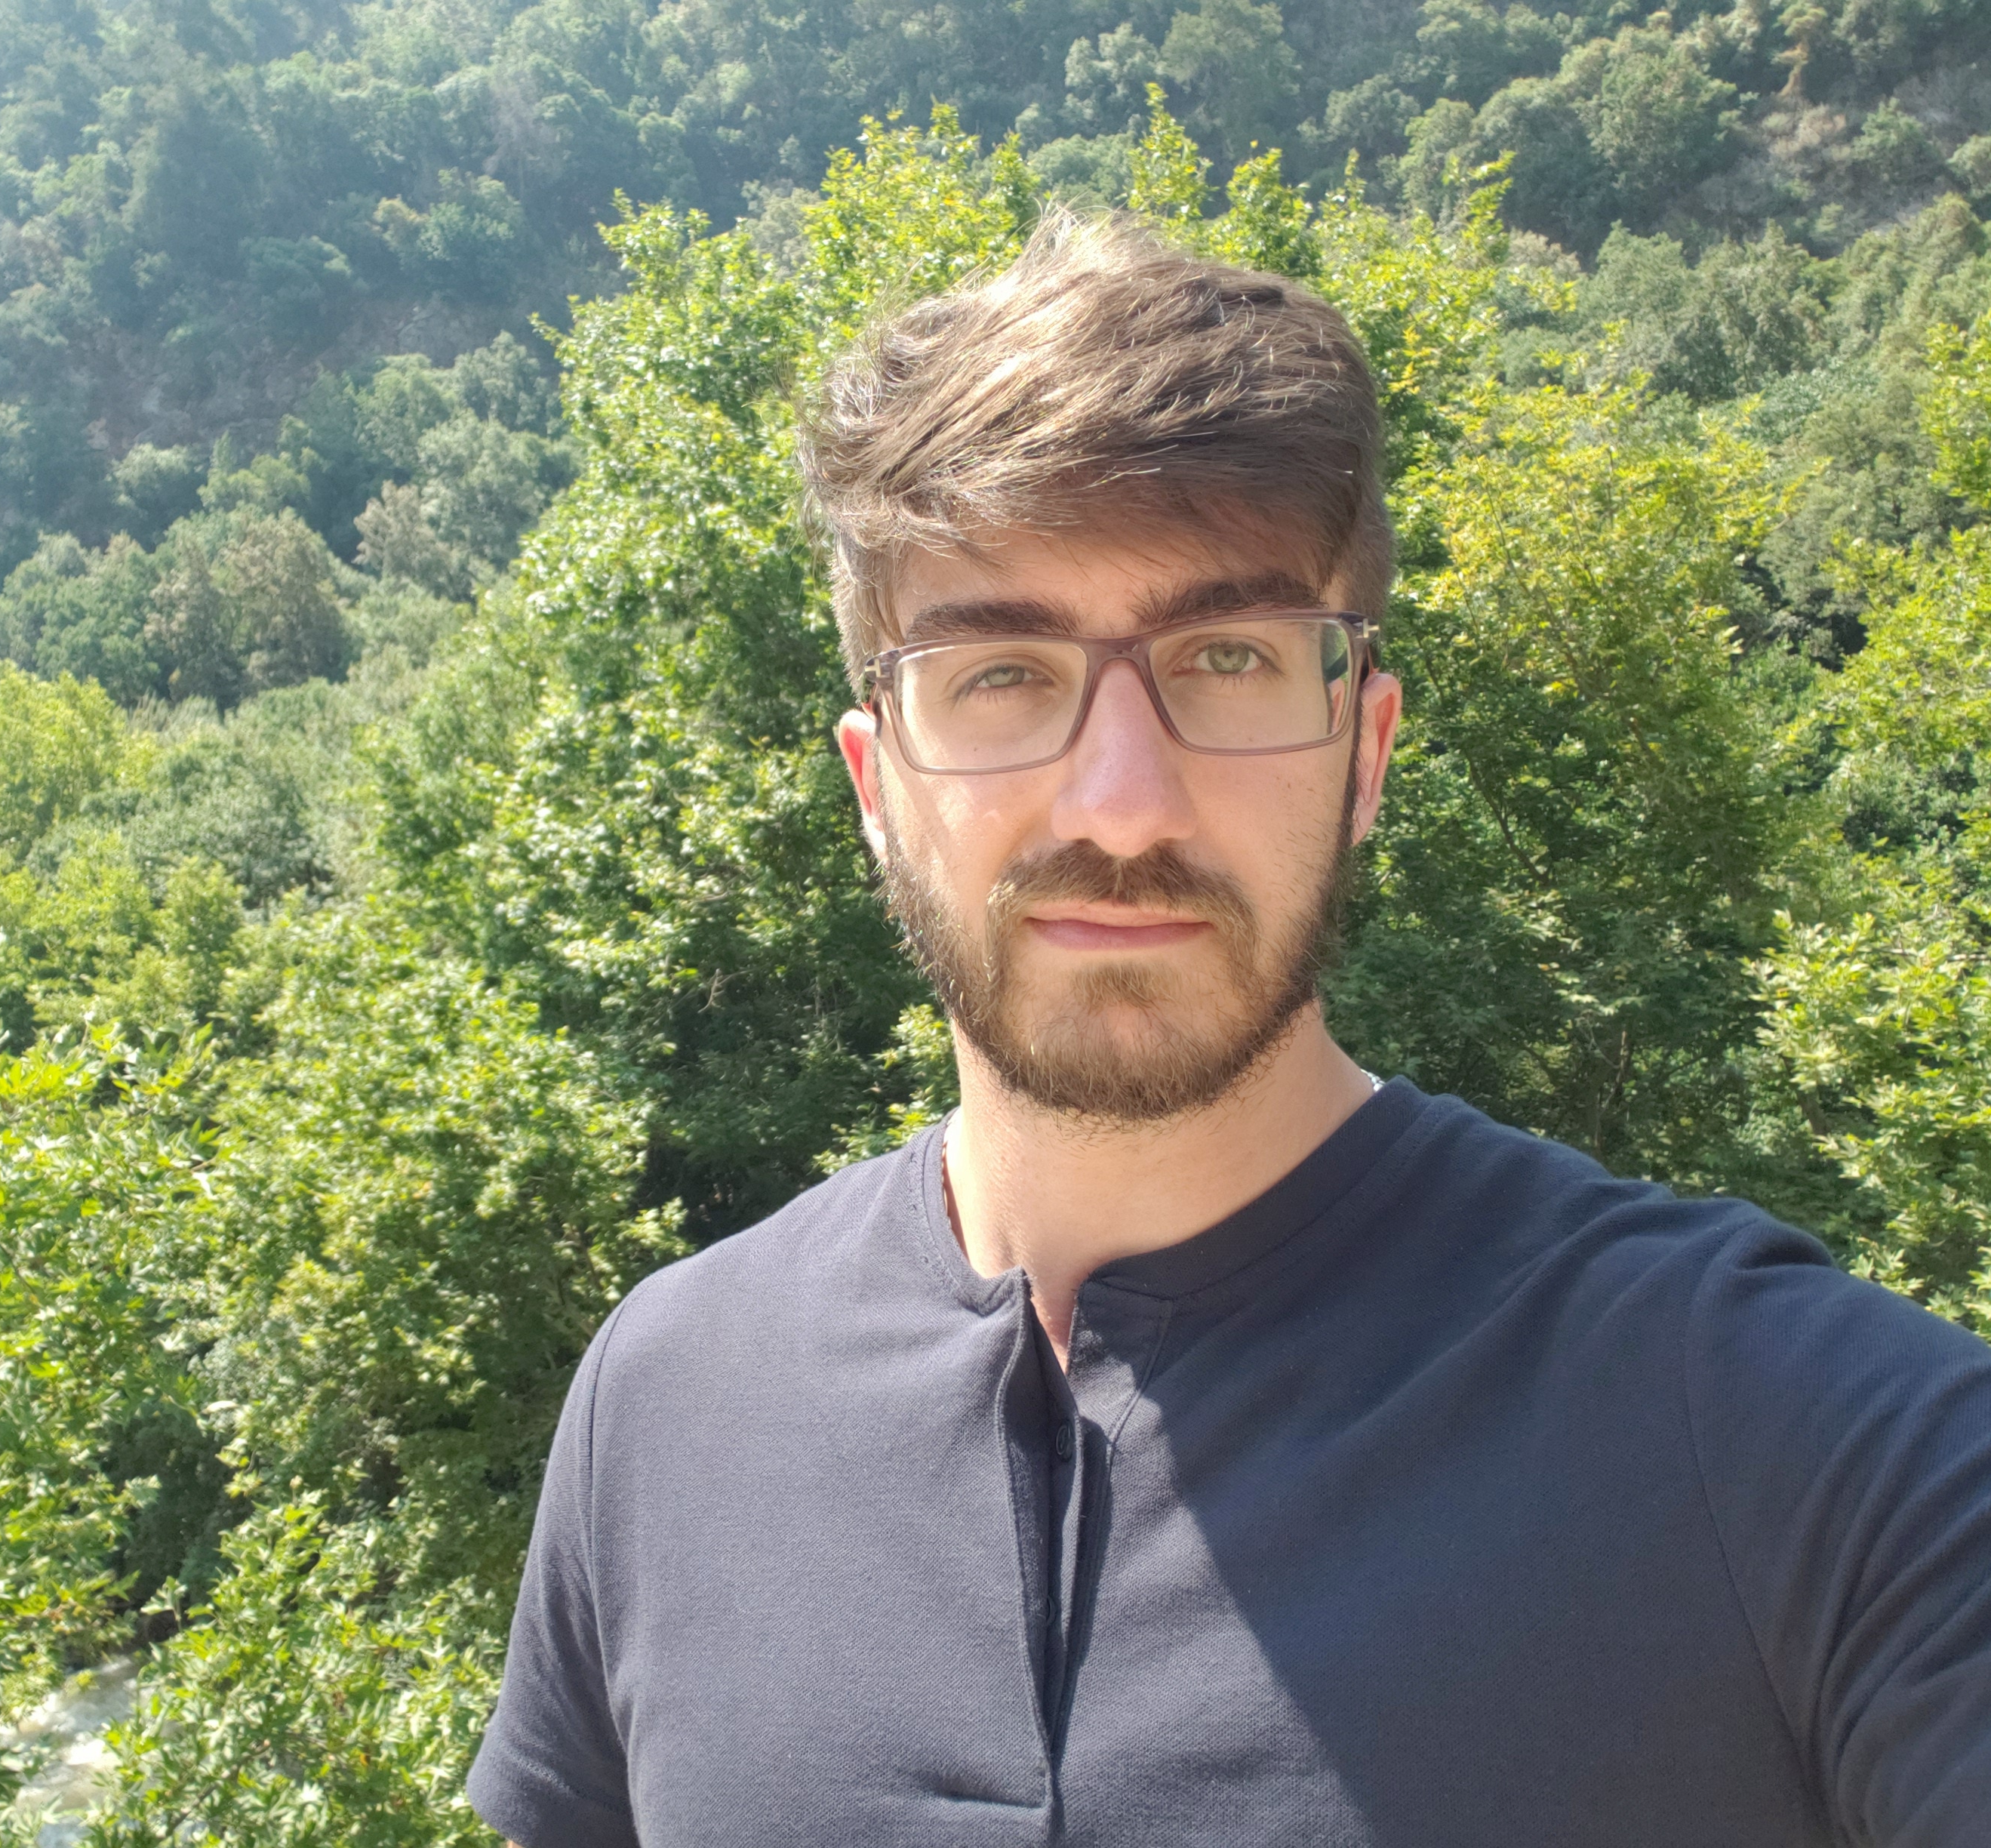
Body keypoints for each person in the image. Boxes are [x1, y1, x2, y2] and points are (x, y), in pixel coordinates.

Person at [463, 212, 1991, 1848]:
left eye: (1230, 658)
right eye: (1002, 674)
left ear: (1367, 751)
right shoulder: (667, 1406)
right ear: (876, 786)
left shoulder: (1810, 1444)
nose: (1121, 805)